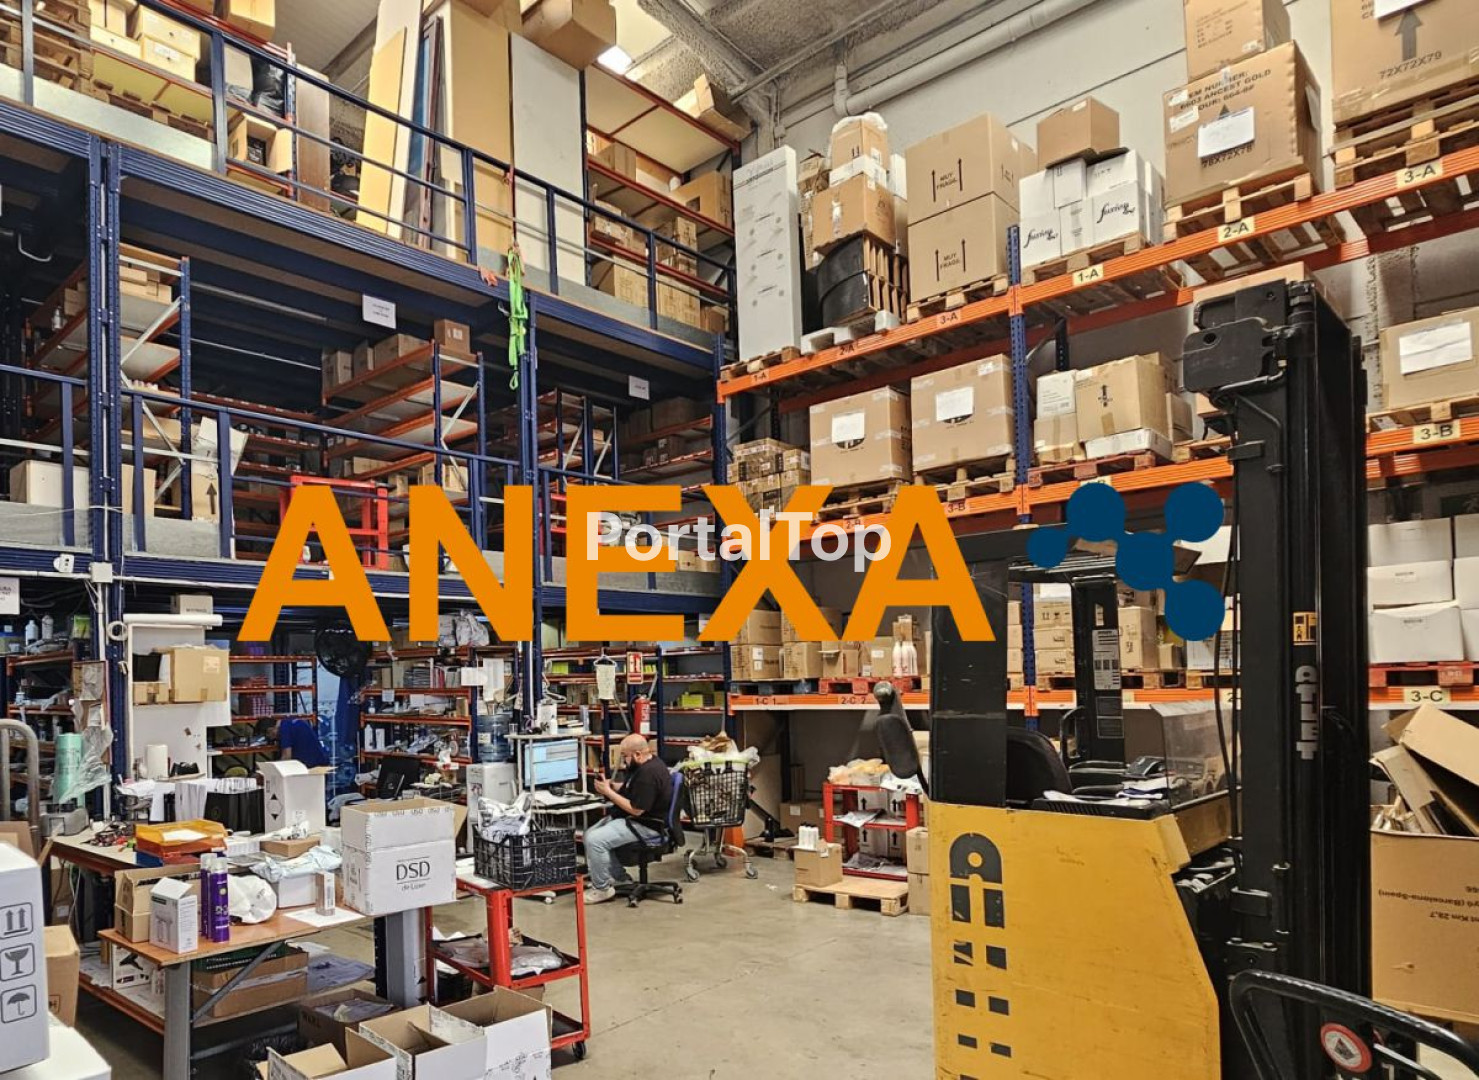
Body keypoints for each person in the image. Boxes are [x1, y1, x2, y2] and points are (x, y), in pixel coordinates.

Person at [583, 733, 671, 904]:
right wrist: (613, 786)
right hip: (637, 819)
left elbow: (636, 810)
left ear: (637, 754)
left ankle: (601, 889)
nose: (624, 761)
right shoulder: (647, 764)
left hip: (646, 825)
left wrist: (609, 793)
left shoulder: (648, 774)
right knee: (589, 834)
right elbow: (633, 787)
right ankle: (619, 878)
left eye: (625, 756)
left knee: (595, 840)